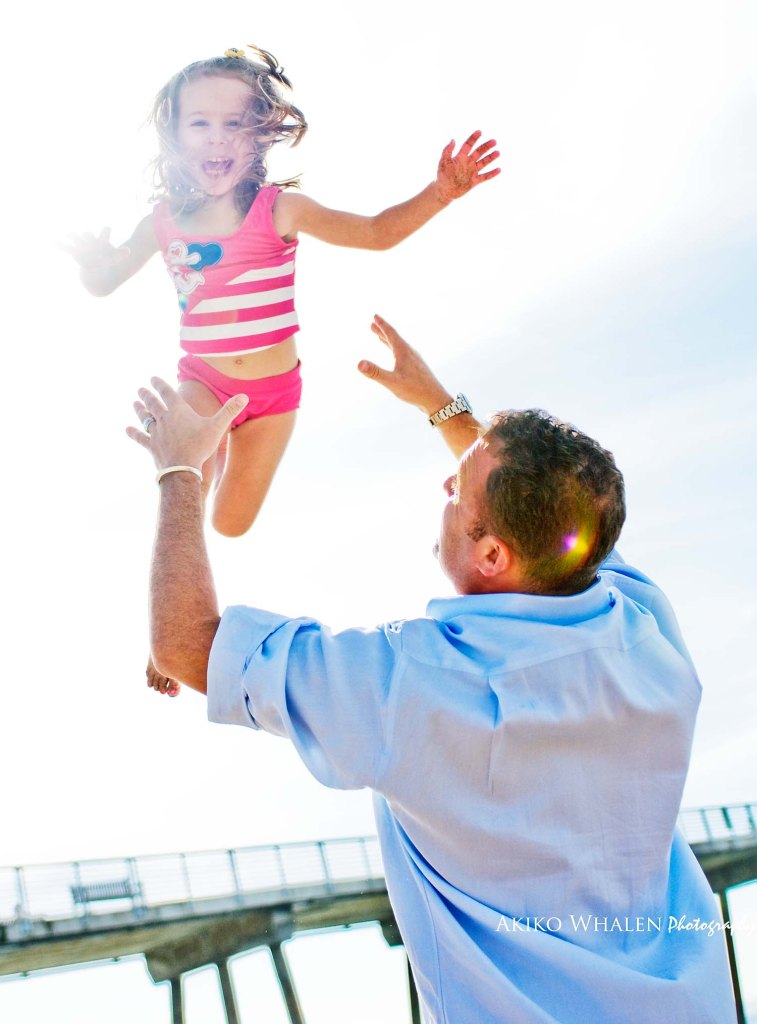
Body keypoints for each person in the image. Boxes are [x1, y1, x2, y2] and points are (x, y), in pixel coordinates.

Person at [127, 316, 736, 1023]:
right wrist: (440, 406)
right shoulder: (644, 629)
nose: (446, 482)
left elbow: (186, 646)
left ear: (491, 559)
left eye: (458, 490)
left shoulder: (412, 684)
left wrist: (179, 473)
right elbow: (552, 529)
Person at [66, 45, 499, 541]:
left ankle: (223, 441)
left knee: (230, 525)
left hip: (273, 397)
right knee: (189, 476)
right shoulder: (160, 224)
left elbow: (376, 233)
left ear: (260, 138)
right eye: (200, 124)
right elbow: (104, 283)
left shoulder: (279, 210)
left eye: (235, 125)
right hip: (203, 376)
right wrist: (92, 267)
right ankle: (209, 444)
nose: (217, 139)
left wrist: (439, 193)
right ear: (174, 138)